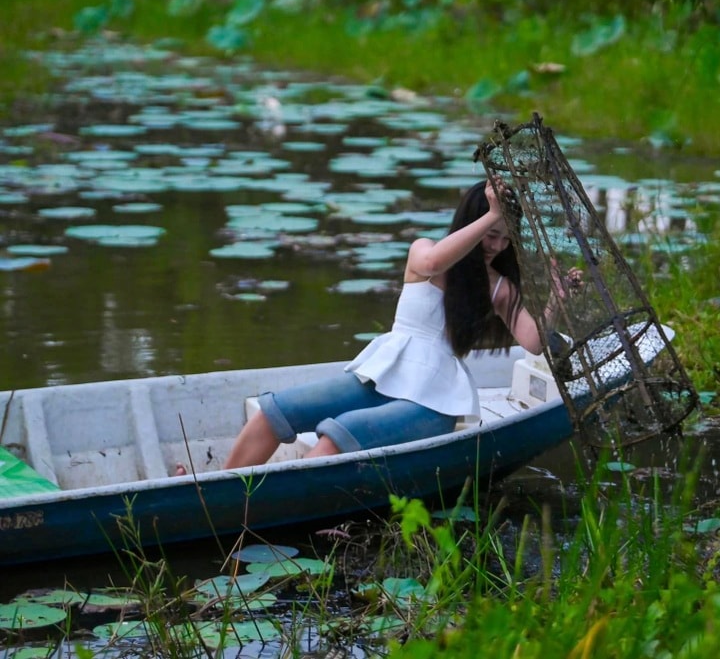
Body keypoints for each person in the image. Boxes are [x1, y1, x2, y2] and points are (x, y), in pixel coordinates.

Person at [220, 178, 579, 470]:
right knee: (275, 411)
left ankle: (265, 512)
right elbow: (434, 264)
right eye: (490, 234)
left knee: (338, 435)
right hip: (384, 373)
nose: (496, 246)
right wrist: (492, 214)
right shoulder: (424, 250)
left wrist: (556, 300)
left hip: (434, 400)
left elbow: (532, 342)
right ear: (471, 222)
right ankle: (221, 495)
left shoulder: (498, 286)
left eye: (505, 238)